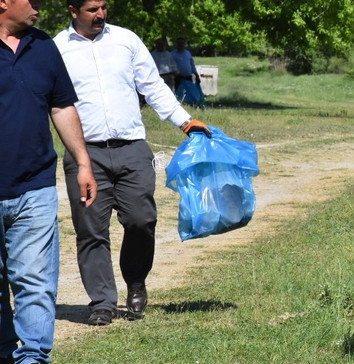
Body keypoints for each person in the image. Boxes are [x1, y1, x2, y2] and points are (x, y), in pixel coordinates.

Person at [53, 0, 212, 326]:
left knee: (142, 220)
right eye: (92, 9)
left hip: (133, 149)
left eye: (104, 7)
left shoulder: (126, 40)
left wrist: (185, 121)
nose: (100, 14)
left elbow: (153, 87)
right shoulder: (56, 48)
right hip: (85, 154)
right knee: (91, 231)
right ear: (73, 11)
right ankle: (102, 302)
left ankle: (136, 281)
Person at [0, 0, 97, 362]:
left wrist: (83, 163)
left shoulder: (44, 46)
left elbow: (62, 105)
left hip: (36, 185)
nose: (39, 5)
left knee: (36, 281)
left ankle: (33, 357)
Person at [171, 36, 205, 107]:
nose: (181, 45)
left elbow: (192, 65)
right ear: (177, 44)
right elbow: (171, 66)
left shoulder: (187, 53)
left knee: (191, 91)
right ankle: (179, 104)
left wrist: (196, 75)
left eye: (182, 43)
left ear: (184, 44)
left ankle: (192, 104)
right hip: (178, 77)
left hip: (188, 76)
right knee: (179, 92)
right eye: (179, 43)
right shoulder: (173, 54)